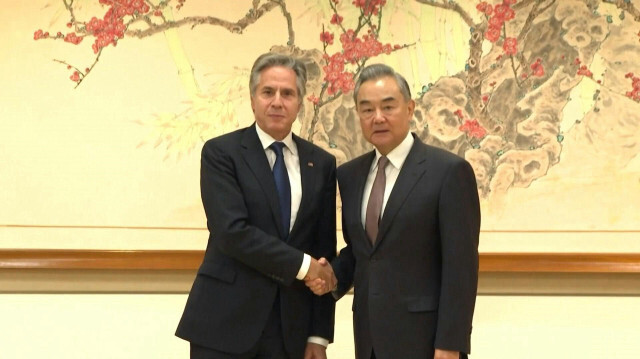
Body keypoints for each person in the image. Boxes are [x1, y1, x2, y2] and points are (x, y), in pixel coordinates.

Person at [306, 64, 480, 359]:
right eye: (367, 109)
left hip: (427, 343)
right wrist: (332, 275)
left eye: (388, 106)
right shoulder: (350, 176)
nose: (378, 118)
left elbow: (460, 267)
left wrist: (451, 344)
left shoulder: (448, 172)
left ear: (410, 108)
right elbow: (363, 252)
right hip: (369, 339)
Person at [176, 52, 337, 359]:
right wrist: (304, 267)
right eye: (268, 92)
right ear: (253, 99)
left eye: (288, 93)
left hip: (291, 330)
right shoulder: (222, 153)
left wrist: (318, 335)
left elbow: (323, 251)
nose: (277, 101)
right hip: (224, 325)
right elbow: (231, 232)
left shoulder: (322, 163)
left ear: (300, 103)